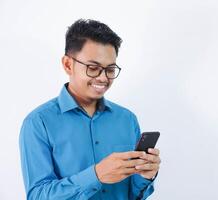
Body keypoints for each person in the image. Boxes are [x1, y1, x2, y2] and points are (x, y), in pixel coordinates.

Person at [19, 19, 161, 200]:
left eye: (110, 69)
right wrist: (96, 175)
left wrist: (145, 176)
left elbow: (133, 194)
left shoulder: (127, 119)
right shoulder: (38, 123)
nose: (103, 78)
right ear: (68, 65)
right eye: (93, 68)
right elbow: (37, 195)